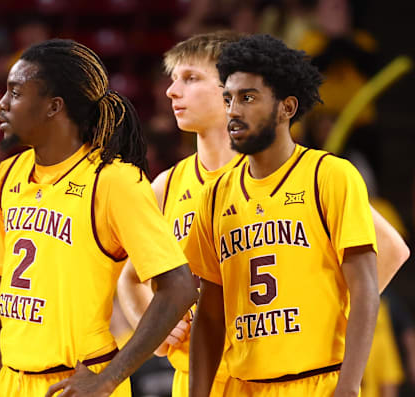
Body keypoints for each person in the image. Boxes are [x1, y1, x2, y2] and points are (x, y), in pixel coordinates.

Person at [117, 31, 410, 397]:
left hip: (290, 371)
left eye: (190, 78)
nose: (172, 91)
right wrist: (155, 327)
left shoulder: (298, 170)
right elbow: (131, 278)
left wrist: (318, 318)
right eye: (173, 79)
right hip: (201, 374)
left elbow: (391, 251)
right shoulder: (169, 184)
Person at [0, 39, 198, 397]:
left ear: (53, 107)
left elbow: (179, 287)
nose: (2, 104)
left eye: (16, 93)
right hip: (13, 382)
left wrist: (108, 379)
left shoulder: (113, 180)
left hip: (76, 381)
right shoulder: (8, 173)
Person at [186, 34, 378, 396]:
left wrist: (350, 386)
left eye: (248, 98)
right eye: (228, 98)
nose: (233, 111)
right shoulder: (214, 195)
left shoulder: (330, 176)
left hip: (318, 381)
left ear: (286, 107)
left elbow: (365, 287)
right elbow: (209, 313)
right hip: (241, 386)